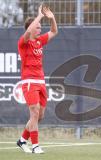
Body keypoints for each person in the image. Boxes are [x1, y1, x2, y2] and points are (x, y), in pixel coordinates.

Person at [16, 4, 58, 154]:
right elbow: (28, 32)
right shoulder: (24, 42)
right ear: (31, 28)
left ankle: (22, 140)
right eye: (38, 27)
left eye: (40, 27)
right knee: (34, 113)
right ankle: (35, 146)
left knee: (40, 116)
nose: (40, 29)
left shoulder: (40, 41)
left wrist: (51, 18)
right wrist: (39, 15)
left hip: (41, 81)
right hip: (29, 81)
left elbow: (54, 31)